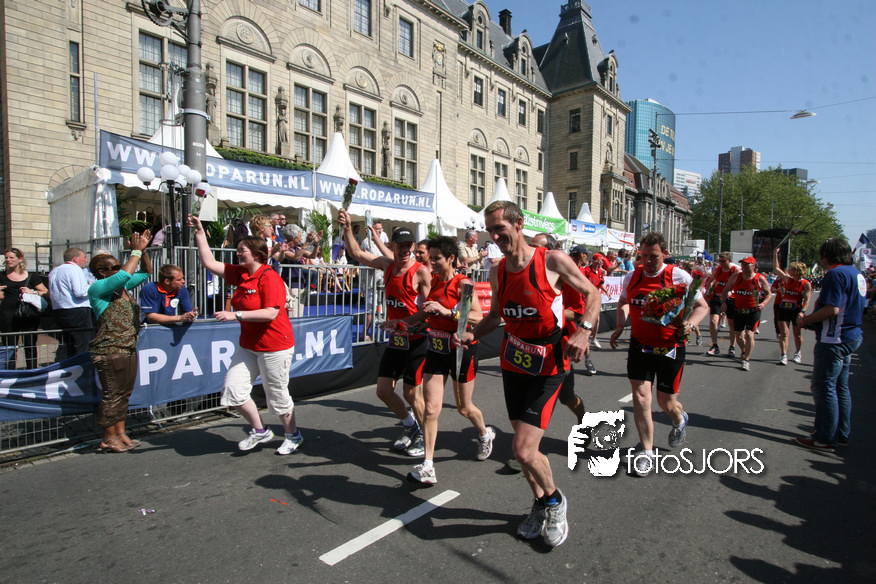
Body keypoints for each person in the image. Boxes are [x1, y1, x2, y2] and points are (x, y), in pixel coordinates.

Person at [458, 200, 600, 548]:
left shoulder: (551, 260)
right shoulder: (498, 270)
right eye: (490, 230)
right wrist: (471, 335)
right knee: (526, 448)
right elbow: (495, 317)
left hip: (548, 365)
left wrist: (584, 330)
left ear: (519, 224)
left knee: (522, 449)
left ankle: (555, 501)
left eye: (500, 229)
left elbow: (592, 293)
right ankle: (540, 502)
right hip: (514, 363)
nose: (494, 236)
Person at [189, 214, 303, 455]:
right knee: (233, 390)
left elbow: (271, 313)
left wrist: (236, 315)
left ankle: (293, 435)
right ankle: (260, 431)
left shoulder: (269, 276)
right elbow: (209, 262)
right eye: (238, 249)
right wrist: (199, 232)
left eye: (242, 250)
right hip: (249, 345)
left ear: (257, 255)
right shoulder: (240, 273)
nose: (238, 253)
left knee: (277, 395)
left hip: (275, 346)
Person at [388, 236, 492, 484]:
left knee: (464, 408)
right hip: (436, 349)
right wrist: (401, 323)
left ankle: (484, 434)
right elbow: (424, 314)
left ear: (451, 259)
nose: (431, 262)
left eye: (436, 259)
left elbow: (478, 316)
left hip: (461, 350)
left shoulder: (463, 283)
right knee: (431, 409)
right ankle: (428, 465)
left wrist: (448, 312)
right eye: (430, 258)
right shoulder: (433, 281)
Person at [609, 231, 708, 477]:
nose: (648, 261)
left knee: (666, 403)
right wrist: (620, 325)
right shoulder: (632, 276)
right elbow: (623, 302)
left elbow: (701, 306)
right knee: (641, 398)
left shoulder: (678, 275)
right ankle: (647, 452)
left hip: (670, 347)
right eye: (644, 256)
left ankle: (679, 419)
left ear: (665, 253)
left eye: (653, 256)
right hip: (640, 345)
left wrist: (691, 324)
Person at [339, 208, 431, 456]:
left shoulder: (420, 271)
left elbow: (429, 310)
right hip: (398, 340)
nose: (405, 250)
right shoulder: (387, 265)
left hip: (418, 339)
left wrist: (403, 323)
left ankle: (426, 438)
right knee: (383, 390)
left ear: (413, 246)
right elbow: (356, 253)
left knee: (411, 393)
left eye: (409, 245)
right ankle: (410, 426)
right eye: (401, 245)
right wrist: (347, 228)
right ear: (392, 246)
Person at [794, 239, 866, 452]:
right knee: (840, 387)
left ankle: (825, 437)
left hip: (834, 339)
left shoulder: (835, 274)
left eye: (821, 255)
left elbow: (832, 309)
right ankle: (841, 433)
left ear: (826, 255)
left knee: (824, 387)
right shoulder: (856, 273)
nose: (820, 259)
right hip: (850, 335)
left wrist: (806, 320)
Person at [87, 232, 153, 452]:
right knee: (112, 395)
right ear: (102, 272)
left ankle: (121, 432)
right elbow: (124, 275)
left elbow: (146, 272)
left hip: (128, 347)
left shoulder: (122, 287)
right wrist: (135, 251)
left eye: (119, 265)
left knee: (124, 393)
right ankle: (108, 438)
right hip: (110, 349)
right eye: (114, 267)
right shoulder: (98, 288)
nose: (120, 268)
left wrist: (143, 251)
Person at [530, 233, 587, 423]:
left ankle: (583, 419)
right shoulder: (525, 273)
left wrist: (548, 312)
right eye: (531, 246)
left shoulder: (565, 275)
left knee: (566, 397)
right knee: (530, 394)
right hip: (531, 345)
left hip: (560, 345)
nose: (532, 251)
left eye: (537, 248)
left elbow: (578, 312)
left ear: (551, 252)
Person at [0, 247, 50, 369]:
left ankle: (32, 371)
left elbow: (46, 292)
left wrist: (32, 291)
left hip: (28, 314)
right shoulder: (2, 276)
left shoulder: (31, 277)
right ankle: (11, 372)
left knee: (30, 344)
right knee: (10, 346)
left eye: (11, 257)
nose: (8, 260)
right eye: (6, 257)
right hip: (8, 314)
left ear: (20, 259)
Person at [722, 257, 772, 372]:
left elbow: (769, 294)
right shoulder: (736, 277)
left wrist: (763, 303)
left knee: (749, 334)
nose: (743, 266)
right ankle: (744, 351)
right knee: (739, 335)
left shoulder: (760, 278)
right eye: (742, 264)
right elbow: (725, 290)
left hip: (753, 311)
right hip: (738, 310)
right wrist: (724, 302)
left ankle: (746, 360)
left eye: (746, 264)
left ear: (753, 266)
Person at [48, 247, 95, 360]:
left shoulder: (54, 271)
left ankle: (61, 367)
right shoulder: (74, 269)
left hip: (59, 311)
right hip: (77, 311)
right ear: (75, 259)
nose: (86, 260)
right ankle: (82, 368)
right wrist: (93, 286)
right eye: (84, 257)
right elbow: (80, 292)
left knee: (65, 344)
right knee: (82, 344)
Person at [772, 248, 812, 365]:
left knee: (797, 334)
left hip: (796, 310)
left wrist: (803, 311)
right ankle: (784, 355)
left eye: (792, 269)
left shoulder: (805, 284)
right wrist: (775, 254)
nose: (789, 270)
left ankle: (798, 352)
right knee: (784, 333)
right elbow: (777, 269)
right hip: (784, 308)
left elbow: (807, 299)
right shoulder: (788, 279)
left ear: (798, 271)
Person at [568, 245, 597, 375]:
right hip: (566, 311)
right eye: (586, 254)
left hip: (580, 310)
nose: (587, 257)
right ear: (581, 255)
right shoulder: (565, 267)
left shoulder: (583, 270)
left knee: (584, 335)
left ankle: (588, 359)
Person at [704, 252, 739, 357]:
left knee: (732, 324)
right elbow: (710, 281)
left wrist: (731, 292)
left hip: (730, 299)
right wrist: (708, 291)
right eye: (719, 261)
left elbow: (739, 285)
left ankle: (732, 347)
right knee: (713, 321)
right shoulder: (717, 269)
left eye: (723, 261)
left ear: (729, 261)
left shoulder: (735, 271)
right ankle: (714, 345)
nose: (721, 263)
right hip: (717, 297)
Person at [582, 252, 609, 352]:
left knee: (597, 319)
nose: (601, 262)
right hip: (586, 298)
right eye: (599, 260)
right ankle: (585, 338)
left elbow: (601, 283)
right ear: (594, 261)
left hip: (595, 298)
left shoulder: (600, 271)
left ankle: (594, 338)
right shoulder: (586, 270)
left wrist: (607, 292)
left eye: (602, 260)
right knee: (586, 318)